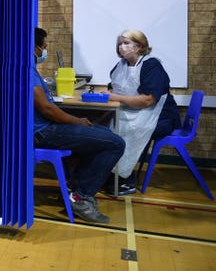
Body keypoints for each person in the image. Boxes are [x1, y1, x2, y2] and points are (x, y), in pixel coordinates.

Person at [33, 28, 125, 224]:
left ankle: (75, 188)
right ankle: (80, 196)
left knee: (102, 133)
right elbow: (47, 110)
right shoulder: (27, 72)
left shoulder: (30, 70)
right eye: (44, 47)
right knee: (115, 143)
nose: (46, 50)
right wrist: (77, 120)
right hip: (44, 133)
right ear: (34, 49)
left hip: (47, 128)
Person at [100, 29, 181, 195]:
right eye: (120, 44)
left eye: (126, 43)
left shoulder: (152, 66)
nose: (122, 47)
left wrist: (114, 96)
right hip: (131, 111)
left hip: (159, 117)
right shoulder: (121, 65)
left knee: (125, 131)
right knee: (105, 126)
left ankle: (124, 179)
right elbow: (113, 86)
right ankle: (109, 172)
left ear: (139, 46)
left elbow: (148, 100)